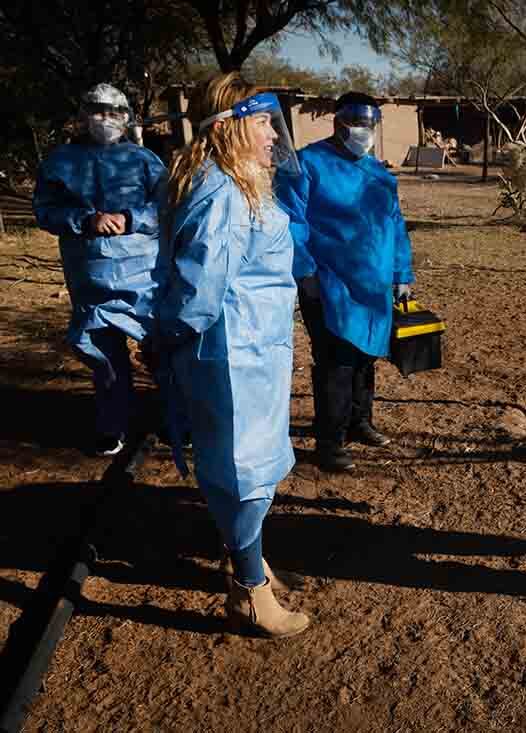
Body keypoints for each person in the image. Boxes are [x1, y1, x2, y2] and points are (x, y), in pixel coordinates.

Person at [155, 72, 308, 638]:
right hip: (231, 356)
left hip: (250, 351)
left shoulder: (239, 183)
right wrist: (166, 340)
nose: (274, 133)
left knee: (241, 466)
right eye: (264, 120)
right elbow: (198, 291)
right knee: (244, 472)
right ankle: (249, 590)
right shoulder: (223, 191)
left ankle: (248, 559)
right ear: (233, 126)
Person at [275, 92, 415, 473]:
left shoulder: (380, 175)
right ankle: (329, 440)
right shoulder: (307, 165)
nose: (364, 132)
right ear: (338, 123)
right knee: (336, 361)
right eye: (357, 123)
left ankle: (359, 421)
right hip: (329, 285)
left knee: (366, 356)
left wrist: (402, 274)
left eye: (371, 125)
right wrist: (305, 274)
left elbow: (395, 226)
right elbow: (290, 222)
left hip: (373, 286)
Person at [34, 83, 166, 456]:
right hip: (89, 275)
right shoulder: (59, 162)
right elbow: (45, 210)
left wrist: (130, 219)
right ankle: (113, 425)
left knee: (161, 348)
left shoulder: (145, 161)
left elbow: (168, 207)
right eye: (96, 110)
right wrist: (85, 220)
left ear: (127, 118)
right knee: (102, 353)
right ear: (82, 115)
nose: (104, 119)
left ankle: (178, 420)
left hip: (145, 276)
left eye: (114, 112)